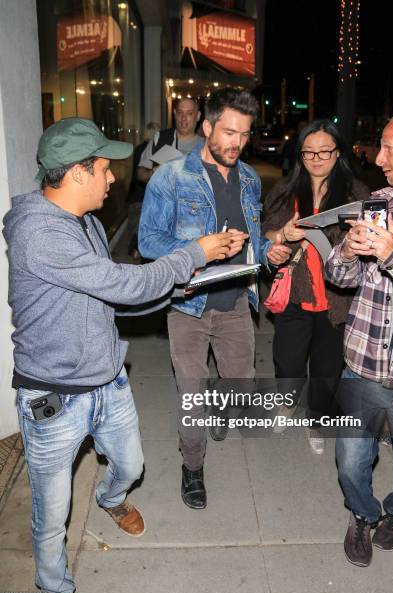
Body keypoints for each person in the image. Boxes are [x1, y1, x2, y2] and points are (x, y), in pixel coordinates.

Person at [2, 117, 233, 593]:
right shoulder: (41, 236)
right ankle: (55, 588)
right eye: (105, 169)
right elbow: (126, 286)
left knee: (131, 465)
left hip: (107, 380)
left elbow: (110, 292)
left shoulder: (81, 222)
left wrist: (175, 284)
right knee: (52, 510)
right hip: (55, 396)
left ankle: (110, 498)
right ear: (77, 173)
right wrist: (193, 253)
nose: (113, 179)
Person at [138, 87, 290, 510]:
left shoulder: (249, 179)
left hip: (236, 302)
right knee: (192, 394)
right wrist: (200, 248)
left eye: (244, 134)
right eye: (227, 132)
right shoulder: (171, 177)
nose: (236, 143)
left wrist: (268, 250)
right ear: (207, 127)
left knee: (238, 382)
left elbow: (252, 239)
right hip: (188, 304)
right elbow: (148, 241)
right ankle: (192, 466)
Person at [325, 107, 393, 567]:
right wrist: (345, 249)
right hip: (362, 365)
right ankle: (362, 515)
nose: (377, 155)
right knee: (350, 463)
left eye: (390, 148)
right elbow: (340, 278)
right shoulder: (380, 202)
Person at [262, 119, 370, 454]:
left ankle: (318, 418)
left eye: (325, 151)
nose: (317, 158)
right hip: (296, 293)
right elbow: (266, 231)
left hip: (337, 300)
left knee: (327, 369)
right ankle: (287, 403)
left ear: (338, 153)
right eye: (309, 152)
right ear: (300, 155)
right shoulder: (286, 190)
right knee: (288, 360)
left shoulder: (356, 194)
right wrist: (281, 239)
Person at [137, 97, 204, 184]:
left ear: (198, 116)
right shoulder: (160, 138)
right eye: (180, 113)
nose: (183, 118)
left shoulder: (205, 146)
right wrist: (156, 171)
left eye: (189, 113)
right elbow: (140, 174)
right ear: (175, 114)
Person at [127, 121, 160, 259]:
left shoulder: (138, 148)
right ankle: (137, 251)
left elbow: (135, 173)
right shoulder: (157, 151)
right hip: (146, 196)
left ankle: (135, 251)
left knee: (135, 227)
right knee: (143, 229)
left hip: (134, 195)